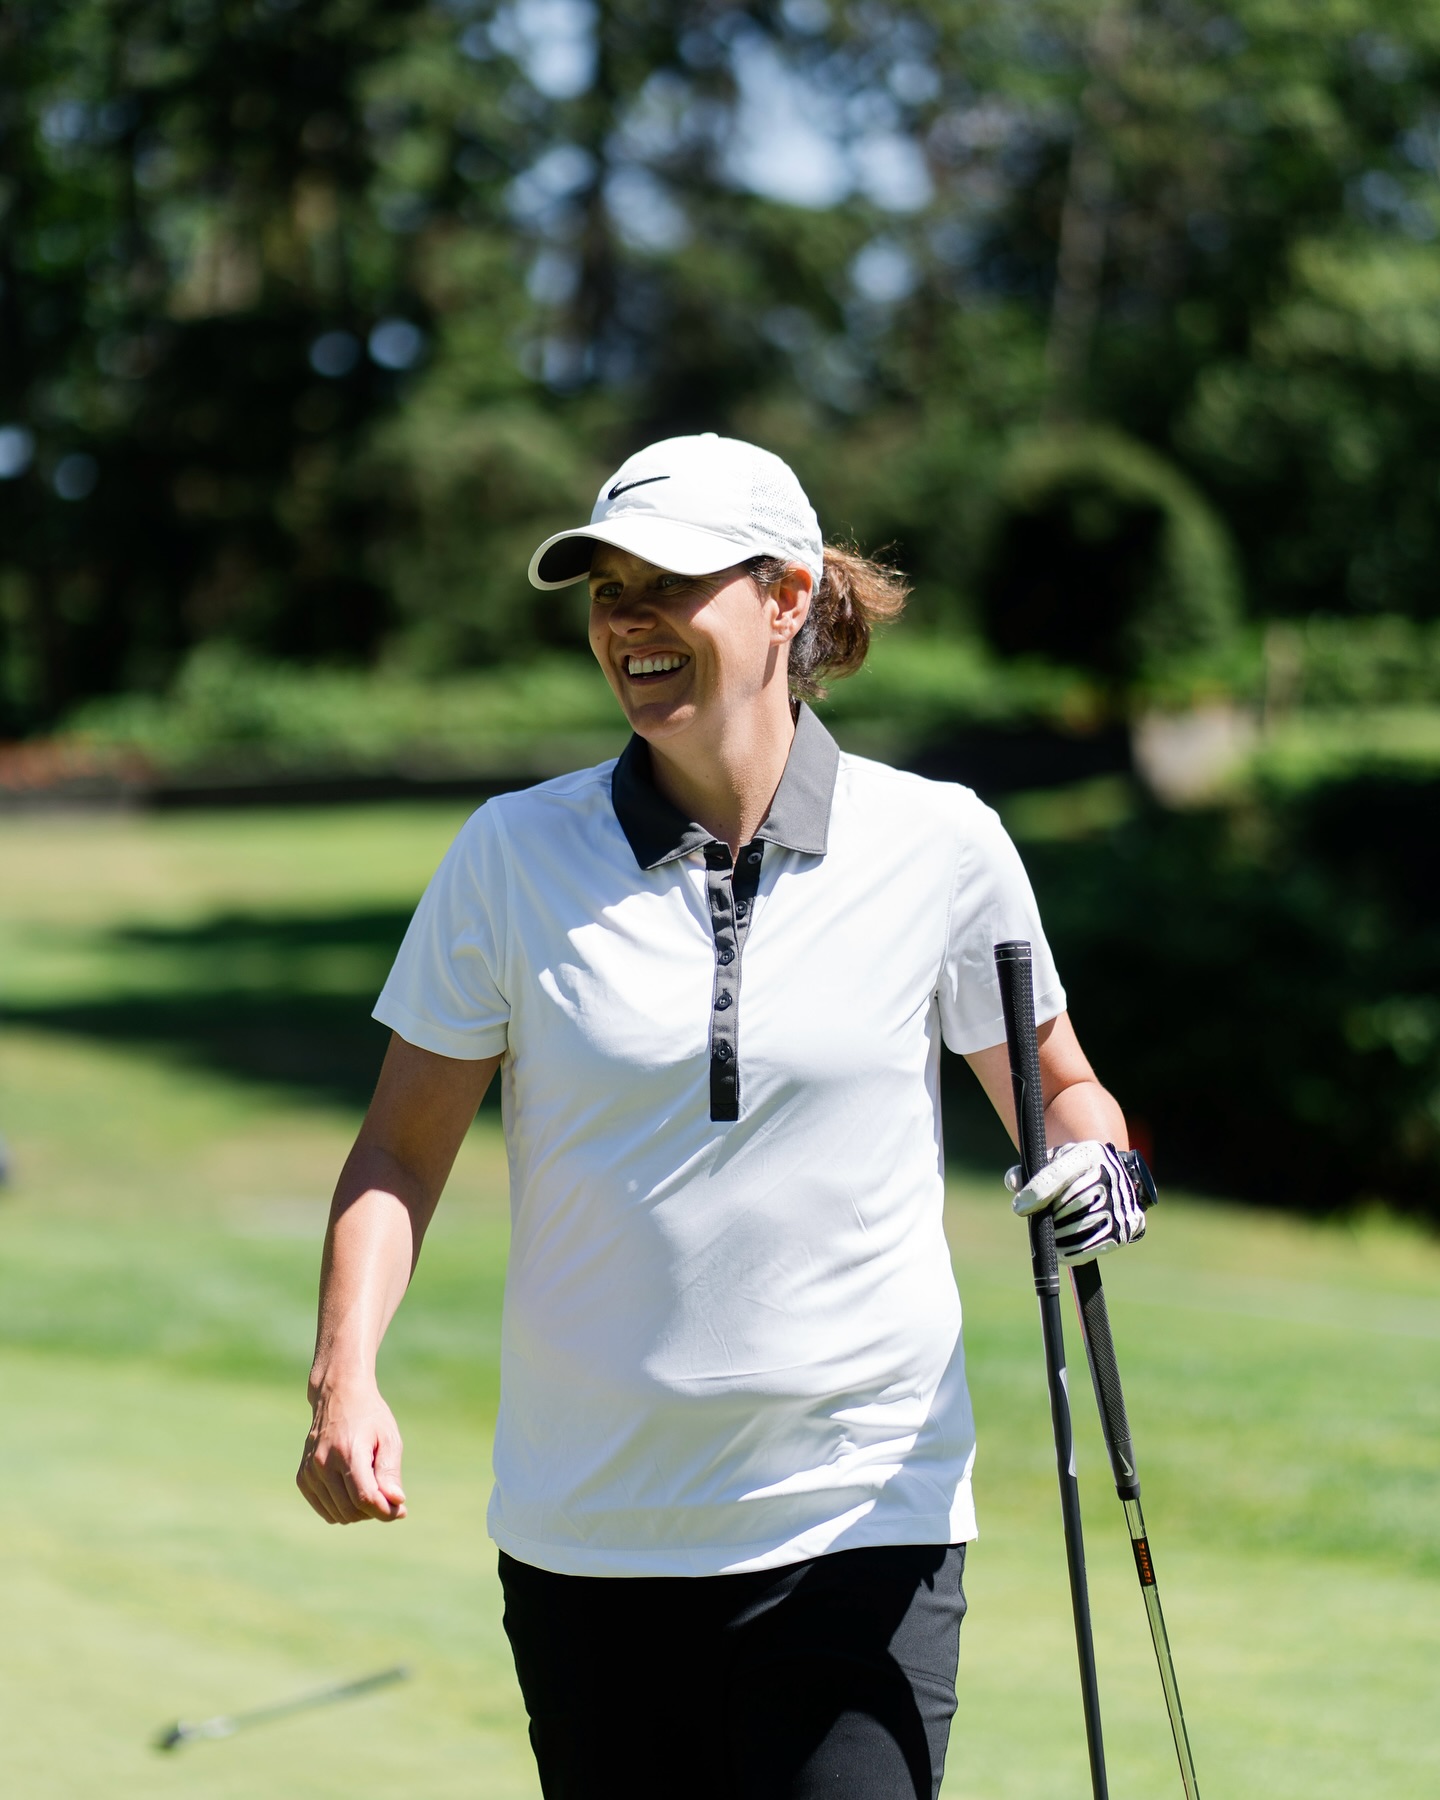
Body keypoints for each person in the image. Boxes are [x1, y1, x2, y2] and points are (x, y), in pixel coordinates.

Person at [296, 433, 1151, 1799]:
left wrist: (1104, 1169)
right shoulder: (512, 856)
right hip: (590, 1532)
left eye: (668, 584)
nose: (628, 620)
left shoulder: (941, 845)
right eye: (607, 591)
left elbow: (1061, 1090)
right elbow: (399, 1152)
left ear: (788, 597)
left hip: (864, 1510)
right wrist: (345, 1374)